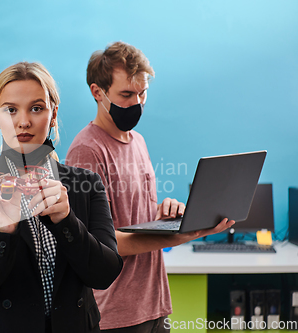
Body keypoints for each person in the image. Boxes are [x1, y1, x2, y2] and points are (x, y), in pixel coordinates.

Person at [65, 41, 235, 332]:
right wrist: (183, 235)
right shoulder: (86, 151)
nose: (138, 103)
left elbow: (128, 217)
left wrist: (165, 213)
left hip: (155, 305)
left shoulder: (138, 141)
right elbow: (95, 244)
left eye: (143, 93)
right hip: (115, 315)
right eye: (127, 94)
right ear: (98, 92)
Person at [0, 62, 123, 333]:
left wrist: (66, 220)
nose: (24, 121)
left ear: (53, 114)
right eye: (10, 110)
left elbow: (105, 274)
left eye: (37, 108)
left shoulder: (85, 184)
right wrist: (3, 234)